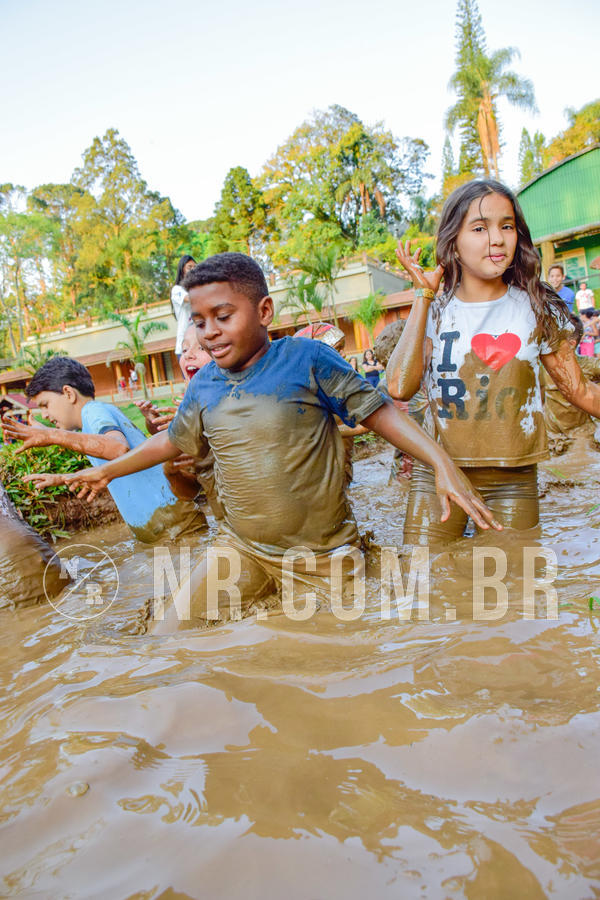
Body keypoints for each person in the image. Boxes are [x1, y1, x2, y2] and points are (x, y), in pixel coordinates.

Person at [59, 252, 500, 631]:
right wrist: (107, 470)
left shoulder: (306, 359)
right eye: (199, 322)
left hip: (324, 556)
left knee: (350, 653)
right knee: (170, 635)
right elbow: (172, 442)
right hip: (241, 549)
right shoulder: (204, 385)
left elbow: (378, 412)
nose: (209, 332)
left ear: (264, 311)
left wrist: (441, 462)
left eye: (223, 316)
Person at [387, 178, 600, 546]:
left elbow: (578, 390)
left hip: (513, 480)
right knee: (427, 583)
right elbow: (398, 386)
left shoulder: (537, 306)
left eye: (506, 226)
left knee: (515, 588)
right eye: (480, 228)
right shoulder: (435, 310)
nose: (497, 239)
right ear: (453, 241)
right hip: (438, 473)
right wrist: (423, 295)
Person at [1, 358, 207, 543]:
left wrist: (51, 435)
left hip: (177, 529)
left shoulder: (93, 411)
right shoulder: (91, 424)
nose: (44, 414)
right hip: (167, 530)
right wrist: (61, 478)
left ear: (68, 393)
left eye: (45, 405)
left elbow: (117, 449)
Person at [541, 315, 600, 448]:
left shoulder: (587, 365)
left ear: (571, 344)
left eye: (553, 339)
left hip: (580, 437)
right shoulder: (545, 365)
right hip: (553, 435)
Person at [172, 255, 197, 357]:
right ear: (182, 270)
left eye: (195, 267)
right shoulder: (177, 290)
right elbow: (189, 298)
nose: (193, 270)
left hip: (198, 344)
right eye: (189, 267)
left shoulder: (196, 289)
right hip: (184, 348)